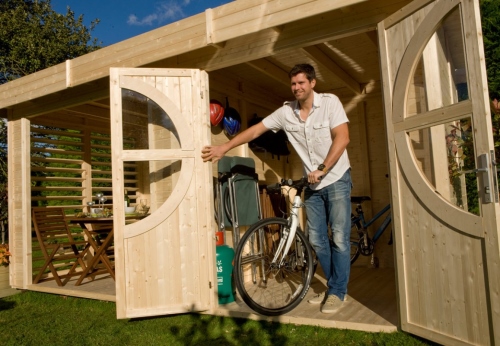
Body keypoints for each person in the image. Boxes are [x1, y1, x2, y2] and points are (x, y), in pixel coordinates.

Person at [201, 63, 352, 314]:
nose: (297, 88)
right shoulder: (286, 113)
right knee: (316, 239)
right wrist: (223, 148)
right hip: (312, 182)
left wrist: (323, 168)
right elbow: (255, 131)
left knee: (338, 238)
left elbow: (343, 137)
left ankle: (337, 291)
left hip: (335, 178)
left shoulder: (330, 103)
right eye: (293, 84)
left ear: (312, 83)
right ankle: (335, 286)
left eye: (302, 83)